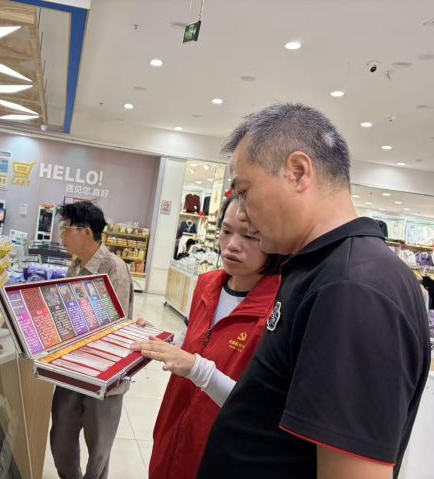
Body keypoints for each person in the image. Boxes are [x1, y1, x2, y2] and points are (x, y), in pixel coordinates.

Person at [197, 104, 430, 479]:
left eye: (244, 191)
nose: (243, 211)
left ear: (298, 172)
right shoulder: (321, 268)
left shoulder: (352, 287)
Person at [131, 193, 283, 479]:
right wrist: (161, 341)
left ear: (275, 241)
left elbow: (257, 408)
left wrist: (197, 369)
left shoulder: (277, 310)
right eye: (225, 231)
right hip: (173, 430)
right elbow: (191, 339)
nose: (232, 245)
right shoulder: (208, 283)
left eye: (250, 237)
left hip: (219, 451)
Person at [50, 201, 134, 479]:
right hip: (72, 369)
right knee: (60, 438)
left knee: (98, 450)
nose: (61, 235)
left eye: (66, 229)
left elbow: (110, 325)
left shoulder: (114, 268)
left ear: (86, 231)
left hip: (104, 374)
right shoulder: (74, 267)